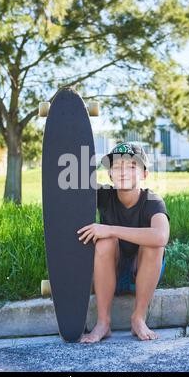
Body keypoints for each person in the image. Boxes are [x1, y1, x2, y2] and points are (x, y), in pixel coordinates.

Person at [77, 142, 170, 343]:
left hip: (142, 274)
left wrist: (109, 229)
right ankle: (103, 323)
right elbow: (72, 190)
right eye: (117, 167)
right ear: (110, 174)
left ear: (144, 174)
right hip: (110, 273)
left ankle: (138, 318)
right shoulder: (103, 195)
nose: (123, 172)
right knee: (104, 242)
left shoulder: (152, 201)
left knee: (153, 244)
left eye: (131, 167)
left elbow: (162, 236)